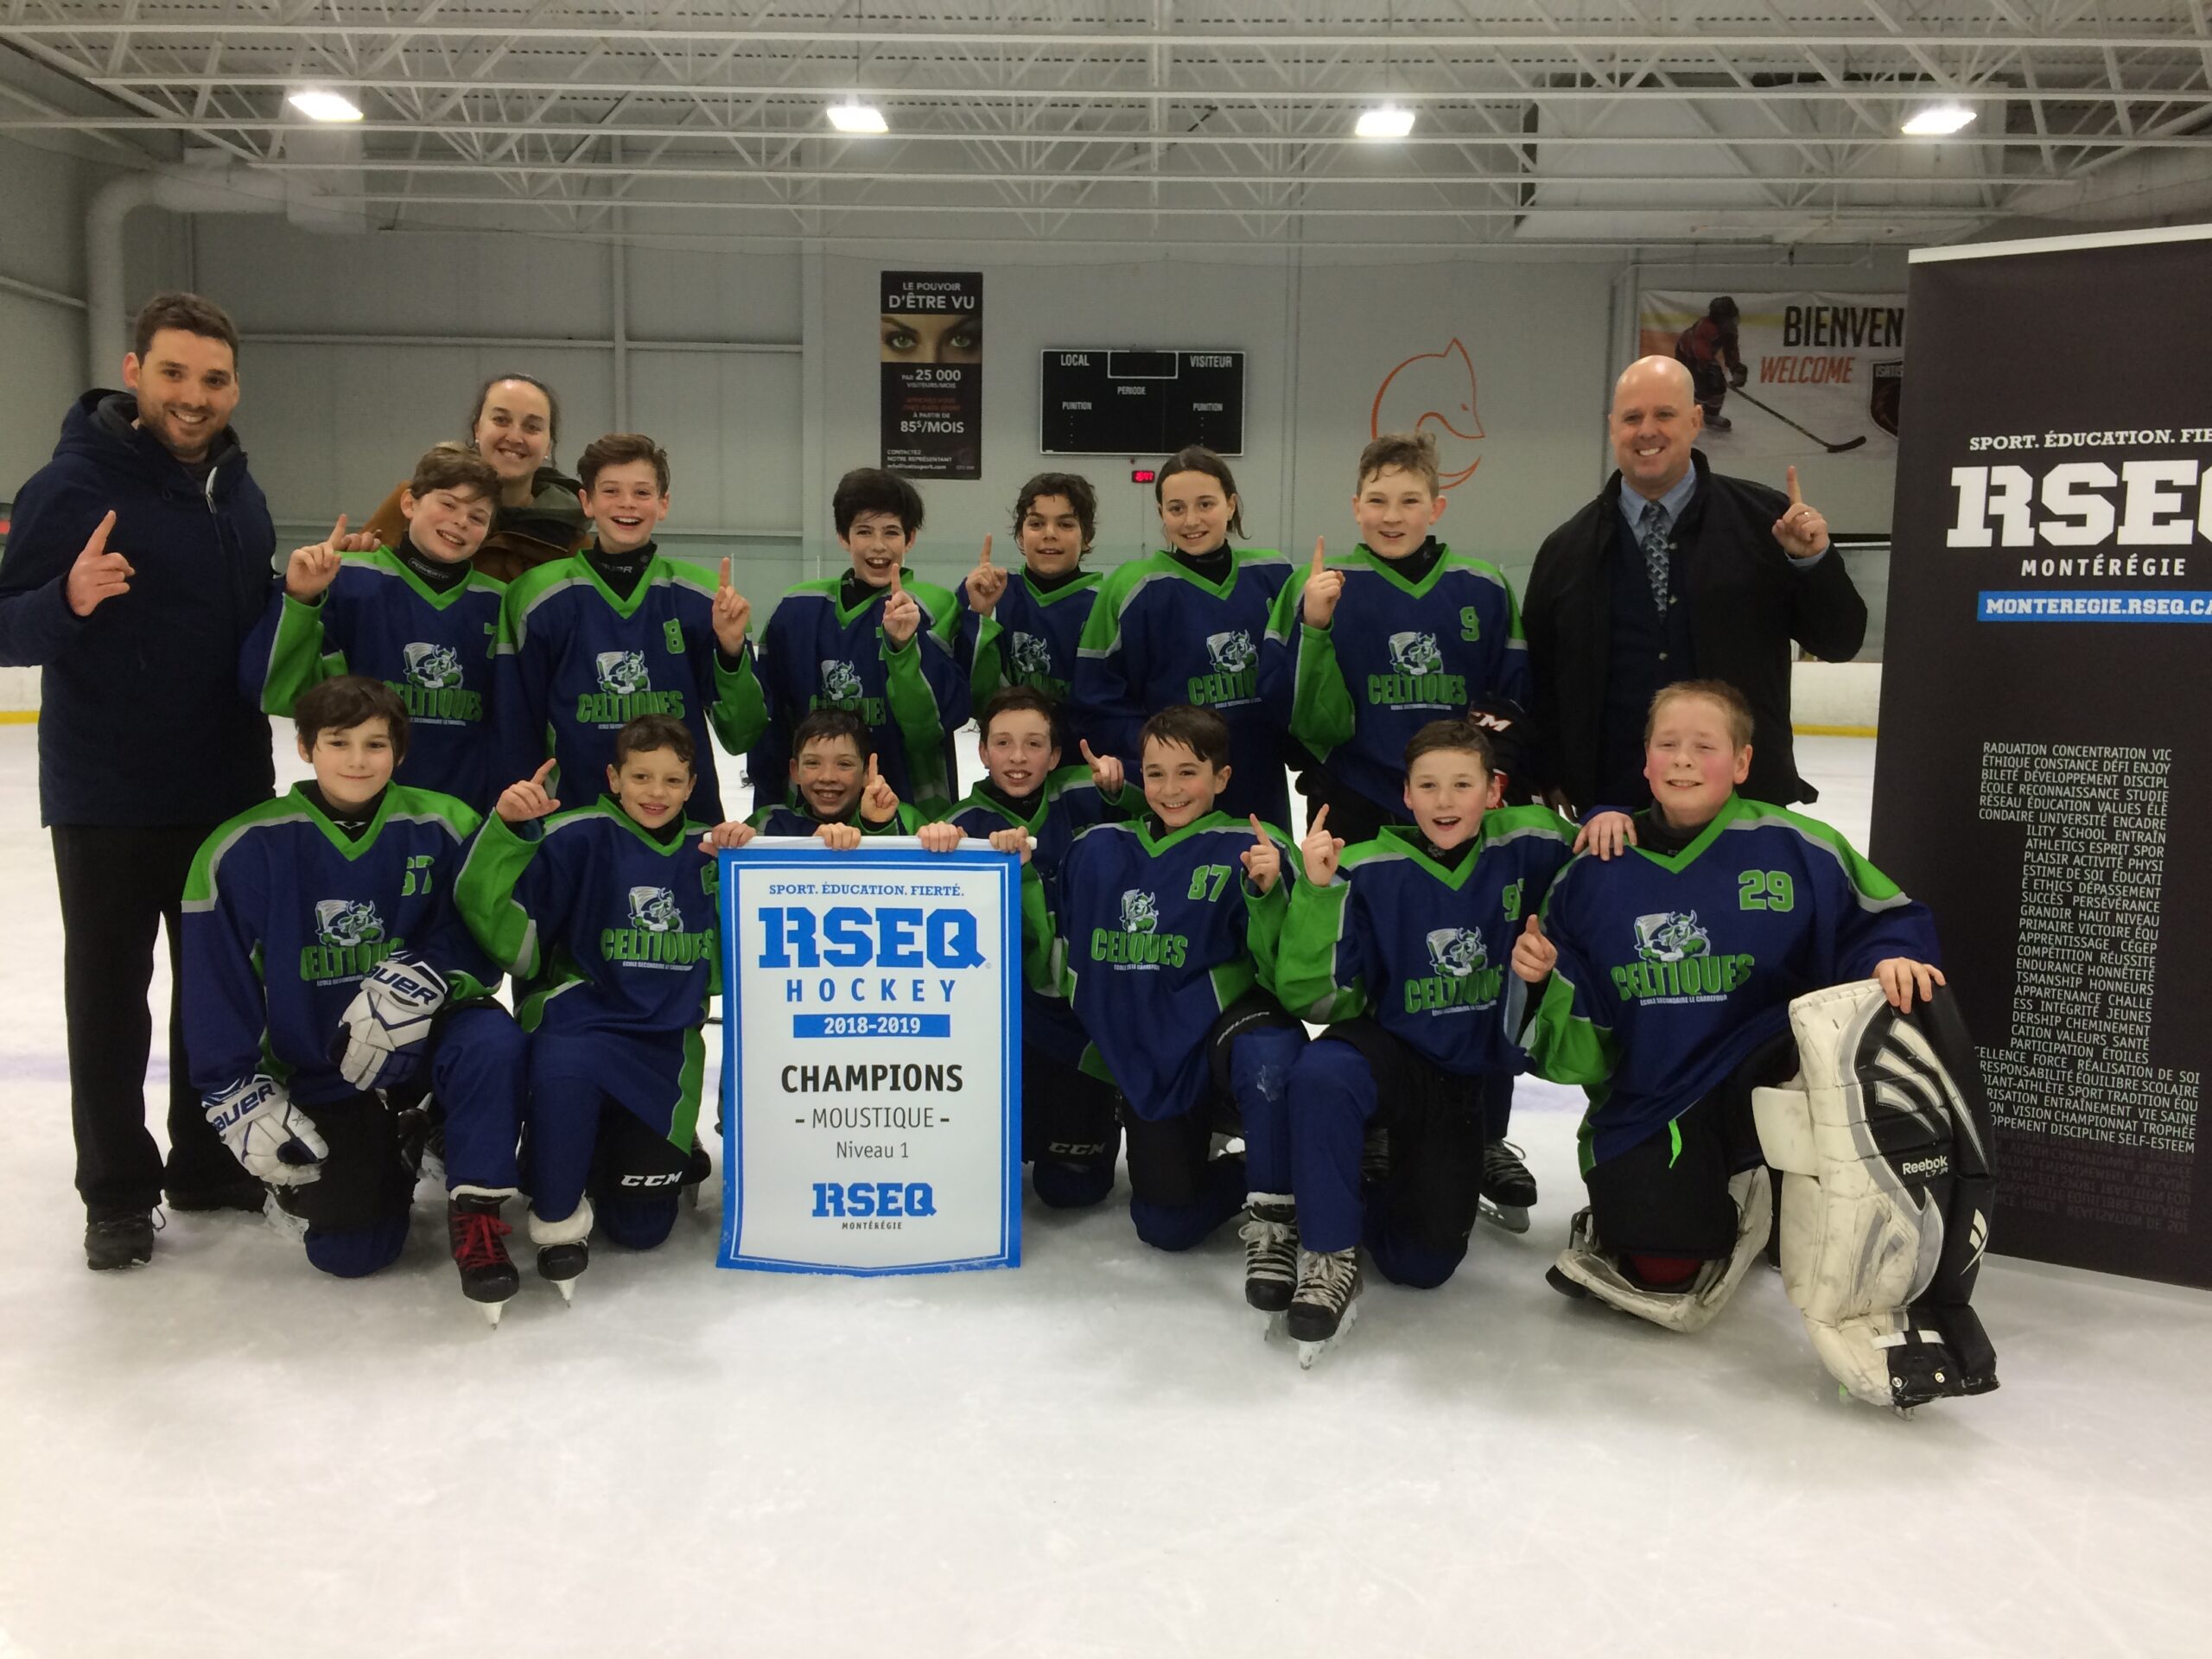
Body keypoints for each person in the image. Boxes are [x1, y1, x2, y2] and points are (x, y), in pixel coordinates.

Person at [1510, 680, 1999, 1409]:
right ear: (1643, 762)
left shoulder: (1795, 846)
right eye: (1666, 745)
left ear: (1741, 762)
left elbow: (1882, 914)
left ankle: (1796, 1183)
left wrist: (1891, 952)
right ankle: (1736, 1191)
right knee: (1660, 1264)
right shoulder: (1591, 875)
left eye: (1704, 747)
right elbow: (1574, 1051)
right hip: (1659, 1098)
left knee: (1863, 1043)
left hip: (1771, 1066)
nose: (1682, 760)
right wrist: (1547, 983)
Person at [0, 290, 280, 1269]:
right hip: (111, 793)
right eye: (173, 374)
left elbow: (250, 626)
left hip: (223, 787)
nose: (193, 397)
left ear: (233, 385)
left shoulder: (239, 492)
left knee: (213, 995)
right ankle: (116, 1190)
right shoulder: (72, 486)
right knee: (111, 1000)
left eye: (212, 379)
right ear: (133, 373)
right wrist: (65, 600)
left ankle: (204, 1163)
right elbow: (5, 622)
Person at [180, 678, 528, 1313]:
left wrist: (431, 975)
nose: (358, 759)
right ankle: (380, 1153)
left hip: (422, 1050)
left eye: (376, 743)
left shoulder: (444, 822)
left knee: (491, 1040)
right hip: (323, 1072)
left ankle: (474, 1206)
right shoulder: (240, 849)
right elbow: (215, 984)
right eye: (338, 742)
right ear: (307, 746)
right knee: (352, 1252)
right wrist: (233, 1088)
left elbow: (482, 931)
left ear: (400, 750)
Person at [1272, 721, 1576, 1362]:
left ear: (1493, 790)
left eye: (1461, 785)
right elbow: (1313, 998)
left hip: (1459, 1084)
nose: (1444, 801)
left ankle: (1364, 1173)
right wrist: (1319, 894)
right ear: (1404, 795)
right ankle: (1328, 1251)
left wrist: (1605, 816)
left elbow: (1603, 853)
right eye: (1428, 786)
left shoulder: (1531, 840)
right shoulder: (1362, 866)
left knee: (1423, 1264)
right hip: (1390, 1054)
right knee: (1322, 1071)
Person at [459, 715, 747, 1301]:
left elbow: (720, 971)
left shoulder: (706, 852)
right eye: (641, 776)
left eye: (672, 780)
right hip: (580, 1028)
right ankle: (557, 1210)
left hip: (663, 1046)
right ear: (614, 778)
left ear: (693, 786)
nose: (656, 792)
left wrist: (738, 875)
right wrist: (506, 832)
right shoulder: (576, 834)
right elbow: (507, 930)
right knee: (566, 1080)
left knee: (643, 1230)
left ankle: (602, 1151)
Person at [1022, 705, 1305, 1285]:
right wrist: (1021, 874)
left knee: (1268, 1056)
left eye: (1188, 772)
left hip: (1220, 1041)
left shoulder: (1254, 846)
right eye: (1155, 774)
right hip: (1153, 1061)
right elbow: (1058, 961)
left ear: (1222, 779)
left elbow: (1294, 976)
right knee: (1164, 1223)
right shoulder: (1097, 849)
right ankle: (1266, 1164)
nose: (1170, 789)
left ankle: (1278, 1197)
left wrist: (1272, 892)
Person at [1520, 355, 1866, 821]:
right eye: (1632, 417)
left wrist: (1812, 565)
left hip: (1746, 807)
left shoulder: (1767, 523)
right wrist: (1551, 773)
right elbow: (1542, 679)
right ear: (1612, 427)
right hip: (1615, 813)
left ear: (1696, 420)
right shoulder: (1565, 551)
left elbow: (1840, 642)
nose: (1647, 430)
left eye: (1664, 414)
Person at [1267, 431, 1529, 844]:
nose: (1392, 516)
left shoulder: (1484, 587)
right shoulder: (1315, 585)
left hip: (1455, 802)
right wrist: (1314, 627)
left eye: (1410, 501)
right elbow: (1292, 710)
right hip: (1354, 795)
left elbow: (1511, 695)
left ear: (1436, 508)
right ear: (1356, 508)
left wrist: (1489, 777)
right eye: (1377, 500)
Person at [494, 432, 758, 819]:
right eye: (611, 491)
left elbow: (743, 734)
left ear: (663, 503)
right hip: (572, 825)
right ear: (587, 501)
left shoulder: (703, 598)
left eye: (642, 492)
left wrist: (732, 651)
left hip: (682, 830)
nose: (627, 504)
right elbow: (514, 729)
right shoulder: (535, 595)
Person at [937, 685, 1130, 1209]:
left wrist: (1121, 786)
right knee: (979, 1181)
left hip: (1077, 1018)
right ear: (981, 751)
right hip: (1000, 1022)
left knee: (1072, 1189)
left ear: (1056, 753)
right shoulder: (960, 825)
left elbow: (1165, 817)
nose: (1018, 758)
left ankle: (1100, 1103)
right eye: (1002, 743)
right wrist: (923, 842)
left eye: (1033, 744)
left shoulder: (1086, 797)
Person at [246, 444, 508, 811]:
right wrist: (301, 598)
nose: (461, 521)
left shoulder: (500, 603)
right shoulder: (346, 579)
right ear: (409, 504)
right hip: (360, 807)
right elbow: (276, 692)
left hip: (462, 813)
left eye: (478, 517)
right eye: (448, 504)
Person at [1075, 447, 1296, 825]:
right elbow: (1097, 696)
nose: (1191, 520)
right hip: (1174, 792)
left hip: (1259, 778)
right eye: (1176, 508)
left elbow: (1301, 680)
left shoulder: (1273, 574)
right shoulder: (1131, 586)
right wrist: (1160, 756)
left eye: (1206, 504)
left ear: (1231, 504)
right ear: (1161, 513)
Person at [740, 467, 968, 815]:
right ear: (844, 537)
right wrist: (770, 800)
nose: (878, 546)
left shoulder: (934, 606)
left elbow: (936, 724)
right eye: (864, 531)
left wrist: (905, 648)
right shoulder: (796, 609)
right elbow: (771, 720)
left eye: (891, 532)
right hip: (811, 811)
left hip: (911, 811)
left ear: (910, 539)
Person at [359, 373, 588, 582]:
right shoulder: (417, 501)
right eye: (501, 420)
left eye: (532, 427)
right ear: (477, 429)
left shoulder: (569, 535)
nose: (515, 437)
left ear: (548, 446)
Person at [957, 472, 1104, 751]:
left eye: (1065, 524)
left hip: (1082, 764)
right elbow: (971, 696)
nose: (1050, 534)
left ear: (1087, 537)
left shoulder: (1106, 605)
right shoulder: (987, 593)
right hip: (1010, 764)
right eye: (1036, 523)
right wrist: (980, 615)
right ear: (1021, 537)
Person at [745, 708, 926, 842]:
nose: (827, 777)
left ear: (866, 772)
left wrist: (877, 827)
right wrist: (730, 841)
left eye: (844, 764)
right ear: (795, 771)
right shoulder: (768, 824)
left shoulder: (904, 818)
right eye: (813, 763)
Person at [1675, 296, 1748, 429]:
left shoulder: (1729, 330)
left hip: (1704, 356)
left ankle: (1711, 415)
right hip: (1688, 354)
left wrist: (1736, 368)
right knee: (1703, 388)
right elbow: (1699, 349)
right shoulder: (1705, 328)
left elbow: (1731, 350)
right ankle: (1687, 416)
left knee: (1719, 386)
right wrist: (1709, 367)